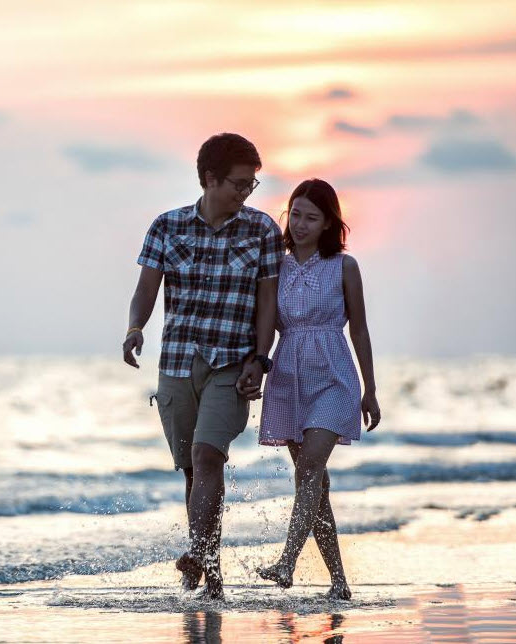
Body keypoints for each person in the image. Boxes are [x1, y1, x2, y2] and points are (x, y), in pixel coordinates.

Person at [123, 133, 283, 600]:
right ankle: (208, 573)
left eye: (252, 185)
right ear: (210, 179)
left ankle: (199, 558)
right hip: (177, 361)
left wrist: (260, 357)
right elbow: (146, 289)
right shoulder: (167, 227)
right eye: (238, 184)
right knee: (193, 471)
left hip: (231, 364)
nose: (246, 193)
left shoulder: (261, 230)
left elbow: (268, 303)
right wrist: (135, 328)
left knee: (208, 455)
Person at [255, 178, 381, 600]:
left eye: (313, 217)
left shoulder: (345, 266)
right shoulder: (276, 264)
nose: (302, 223)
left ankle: (287, 563)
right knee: (315, 484)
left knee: (309, 469)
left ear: (329, 223)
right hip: (288, 377)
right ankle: (340, 583)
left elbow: (360, 329)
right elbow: (265, 322)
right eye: (296, 214)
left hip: (334, 377)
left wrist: (370, 389)